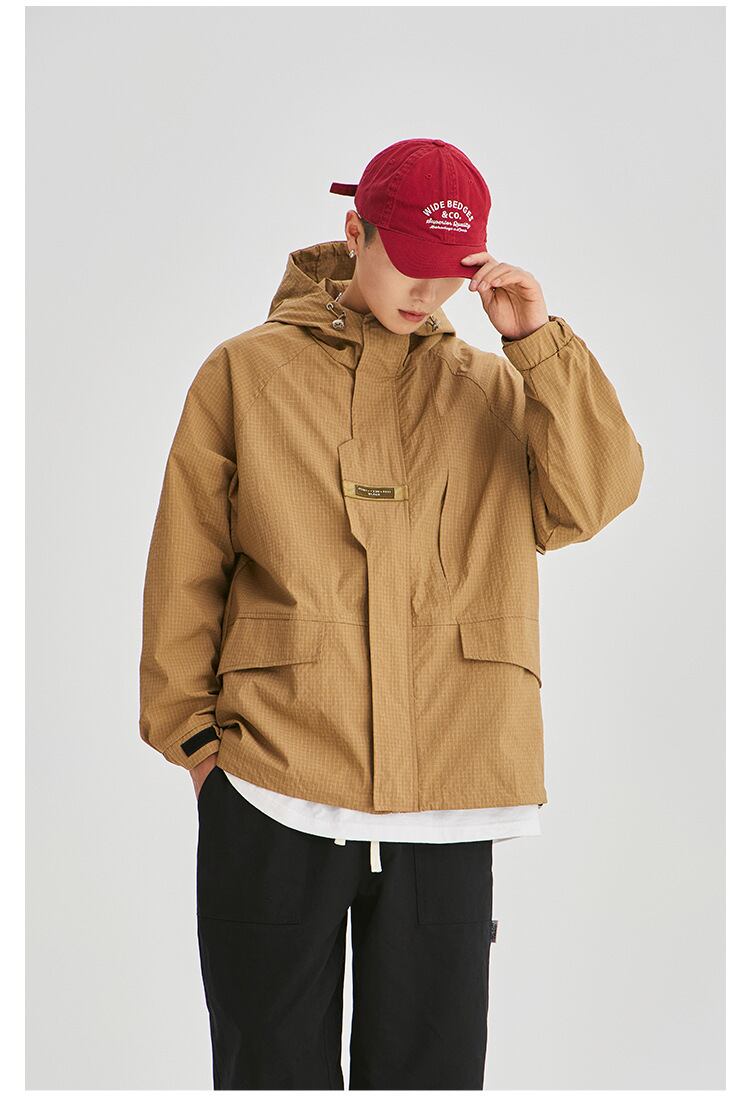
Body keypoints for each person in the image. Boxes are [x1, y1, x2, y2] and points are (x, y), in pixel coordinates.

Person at [138, 137, 644, 1089]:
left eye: (447, 268)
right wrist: (199, 748)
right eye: (407, 258)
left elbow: (596, 496)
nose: (426, 290)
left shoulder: (495, 387)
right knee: (268, 1073)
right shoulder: (244, 374)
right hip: (274, 781)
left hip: (451, 795)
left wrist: (537, 342)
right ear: (355, 231)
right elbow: (186, 570)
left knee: (430, 1078)